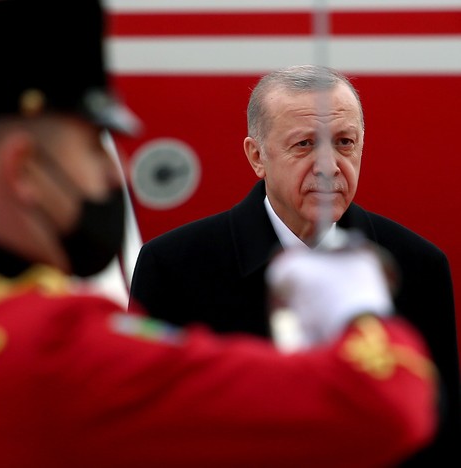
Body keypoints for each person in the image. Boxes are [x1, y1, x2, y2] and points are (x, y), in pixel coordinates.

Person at [0, 2, 438, 467]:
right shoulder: (66, 357)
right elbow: (381, 404)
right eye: (92, 143)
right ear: (23, 169)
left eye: (346, 142)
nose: (107, 174)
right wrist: (358, 312)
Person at [129, 65, 461, 466]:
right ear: (257, 157)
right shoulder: (174, 265)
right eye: (304, 144)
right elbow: (149, 431)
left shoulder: (417, 264)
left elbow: (437, 433)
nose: (328, 165)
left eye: (344, 142)